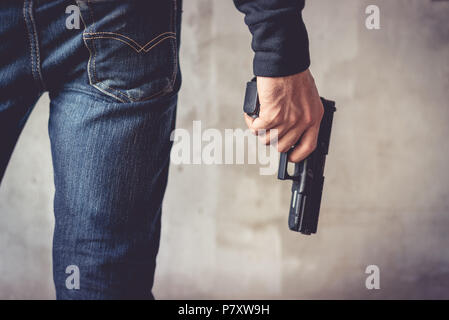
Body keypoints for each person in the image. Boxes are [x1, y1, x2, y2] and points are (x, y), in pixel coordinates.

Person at [0, 0, 323, 299]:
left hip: (120, 22)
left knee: (105, 282)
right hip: (122, 21)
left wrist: (279, 44)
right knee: (104, 281)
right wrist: (279, 40)